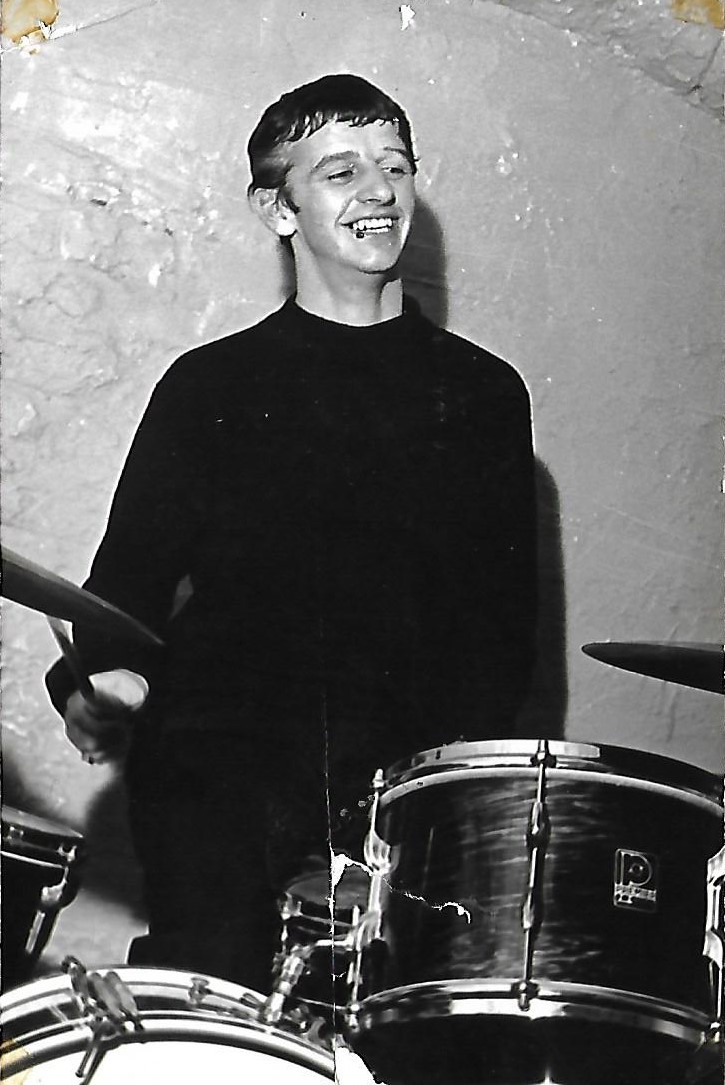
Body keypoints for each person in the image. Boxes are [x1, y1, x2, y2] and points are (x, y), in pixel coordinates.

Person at [46, 74, 538, 996]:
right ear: (277, 208)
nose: (381, 191)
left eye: (396, 167)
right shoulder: (209, 386)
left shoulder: (481, 396)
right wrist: (107, 676)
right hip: (218, 784)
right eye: (342, 171)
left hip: (403, 798)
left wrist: (440, 805)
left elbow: (500, 643)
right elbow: (121, 591)